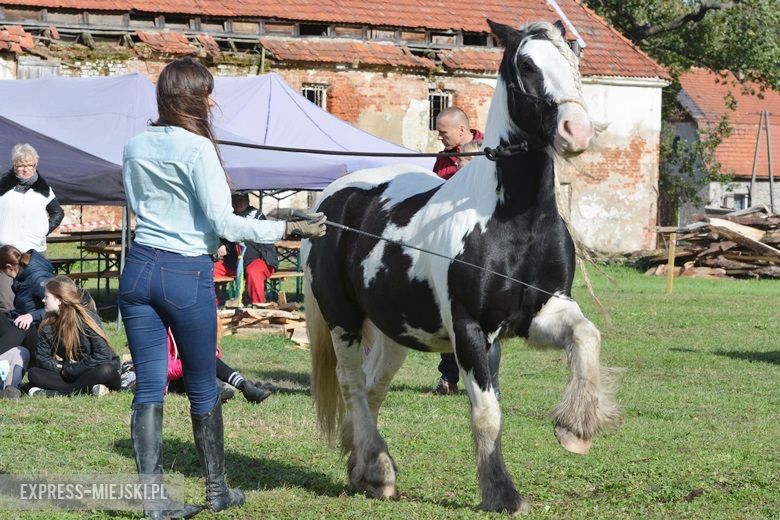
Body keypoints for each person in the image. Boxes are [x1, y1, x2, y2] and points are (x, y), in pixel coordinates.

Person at [119, 57, 326, 517]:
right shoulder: (198, 149)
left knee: (148, 387)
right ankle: (216, 491)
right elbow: (223, 222)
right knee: (201, 386)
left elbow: (137, 205)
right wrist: (287, 227)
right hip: (184, 273)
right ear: (193, 98)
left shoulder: (133, 145)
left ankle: (155, 505)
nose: (213, 101)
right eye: (207, 92)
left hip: (137, 269)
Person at [0, 143, 64, 337]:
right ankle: (9, 346)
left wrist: (42, 231)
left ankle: (38, 342)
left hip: (33, 254)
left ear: (36, 165)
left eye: (29, 164)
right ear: (14, 165)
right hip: (7, 253)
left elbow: (57, 213)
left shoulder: (43, 189)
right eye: (21, 165)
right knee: (7, 301)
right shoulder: (3, 188)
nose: (25, 168)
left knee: (39, 298)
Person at [26, 276, 121, 397]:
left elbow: (102, 356)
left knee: (106, 370)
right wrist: (63, 368)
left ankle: (60, 393)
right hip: (69, 373)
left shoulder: (87, 319)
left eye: (47, 297)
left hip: (95, 370)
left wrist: (72, 370)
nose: (43, 300)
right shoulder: (48, 325)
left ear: (59, 300)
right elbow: (42, 359)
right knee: (34, 374)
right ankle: (87, 388)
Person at [166, 328, 274, 405]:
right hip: (168, 382)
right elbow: (165, 370)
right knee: (195, 365)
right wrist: (194, 361)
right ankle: (218, 390)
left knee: (205, 360)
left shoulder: (180, 324)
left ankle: (245, 386)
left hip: (185, 372)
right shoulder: (158, 329)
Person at [214, 191, 279, 305]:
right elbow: (216, 234)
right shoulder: (226, 218)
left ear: (248, 200)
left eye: (241, 199)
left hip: (260, 259)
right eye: (235, 199)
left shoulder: (257, 216)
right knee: (210, 271)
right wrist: (219, 244)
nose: (238, 203)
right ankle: (213, 307)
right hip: (233, 263)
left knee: (253, 271)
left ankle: (258, 306)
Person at [0, 244, 54, 367]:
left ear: (9, 267)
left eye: (3, 272)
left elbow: (60, 307)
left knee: (22, 326)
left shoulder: (38, 278)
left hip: (41, 333)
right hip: (27, 323)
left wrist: (31, 316)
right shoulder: (21, 271)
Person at [432, 107, 485, 181]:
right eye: (438, 132)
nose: (439, 137)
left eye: (443, 132)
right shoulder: (442, 158)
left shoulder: (490, 151)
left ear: (461, 130)